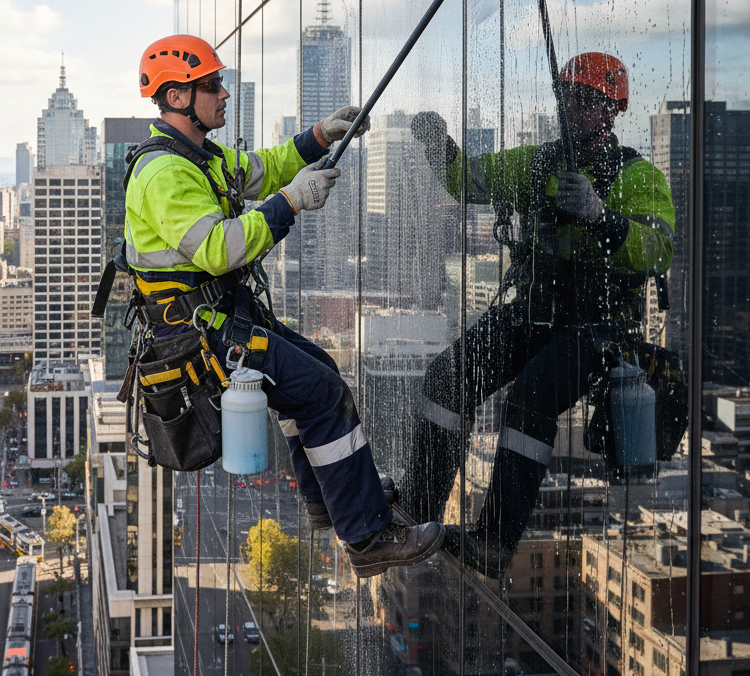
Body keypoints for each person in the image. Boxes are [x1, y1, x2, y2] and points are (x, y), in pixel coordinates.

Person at [125, 34, 444, 577]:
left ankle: (331, 496)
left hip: (218, 318)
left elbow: (263, 168)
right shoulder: (165, 174)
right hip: (201, 335)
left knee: (318, 368)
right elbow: (221, 249)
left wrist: (319, 135)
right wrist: (291, 201)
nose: (224, 93)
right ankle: (367, 537)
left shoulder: (197, 158)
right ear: (177, 97)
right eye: (211, 85)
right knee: (321, 391)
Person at [398, 52, 675, 577]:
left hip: (598, 325)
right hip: (537, 310)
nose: (572, 108)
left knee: (531, 398)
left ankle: (494, 540)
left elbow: (658, 251)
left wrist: (602, 218)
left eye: (586, 100)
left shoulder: (637, 176)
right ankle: (417, 508)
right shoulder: (538, 163)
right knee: (448, 376)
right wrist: (439, 144)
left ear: (612, 109)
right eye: (567, 97)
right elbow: (469, 181)